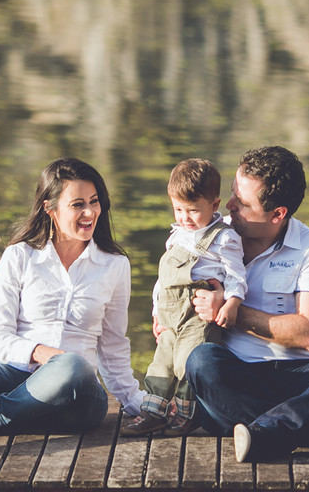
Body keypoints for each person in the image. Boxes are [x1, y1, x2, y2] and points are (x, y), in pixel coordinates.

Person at [0, 157, 143, 455]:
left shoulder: (115, 265)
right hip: (14, 381)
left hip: (78, 397)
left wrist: (139, 403)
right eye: (77, 204)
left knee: (72, 364)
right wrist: (41, 353)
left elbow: (113, 348)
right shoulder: (19, 256)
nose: (89, 212)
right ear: (49, 208)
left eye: (94, 202)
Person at [185, 145, 309, 462]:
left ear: (278, 214)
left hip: (301, 379)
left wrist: (230, 311)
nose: (230, 205)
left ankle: (268, 430)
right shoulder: (211, 236)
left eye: (242, 203)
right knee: (201, 361)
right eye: (233, 192)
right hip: (236, 378)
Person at [120, 158, 247, 437]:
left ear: (214, 204)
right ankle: (153, 412)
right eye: (178, 209)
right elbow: (164, 279)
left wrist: (233, 302)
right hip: (170, 312)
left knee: (186, 361)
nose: (185, 218)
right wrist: (157, 312)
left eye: (193, 210)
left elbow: (237, 275)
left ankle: (187, 413)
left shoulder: (223, 238)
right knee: (162, 362)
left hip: (197, 315)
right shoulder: (177, 234)